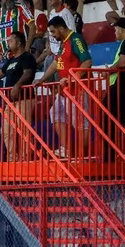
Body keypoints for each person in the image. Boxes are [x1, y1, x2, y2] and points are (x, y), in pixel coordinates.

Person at [34, 16, 92, 159]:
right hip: (65, 91)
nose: (53, 35)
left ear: (61, 28)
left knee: (80, 123)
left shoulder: (75, 39)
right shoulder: (63, 43)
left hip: (78, 90)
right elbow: (56, 64)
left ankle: (81, 157)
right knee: (55, 113)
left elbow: (87, 62)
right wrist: (42, 79)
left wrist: (72, 79)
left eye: (53, 32)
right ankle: (66, 149)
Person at [0, 32, 36, 161]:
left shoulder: (27, 57)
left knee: (24, 130)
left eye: (11, 40)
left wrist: (17, 85)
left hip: (25, 98)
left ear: (19, 43)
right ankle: (12, 159)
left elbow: (28, 73)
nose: (8, 42)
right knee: (6, 130)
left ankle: (25, 159)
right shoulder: (11, 60)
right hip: (10, 101)